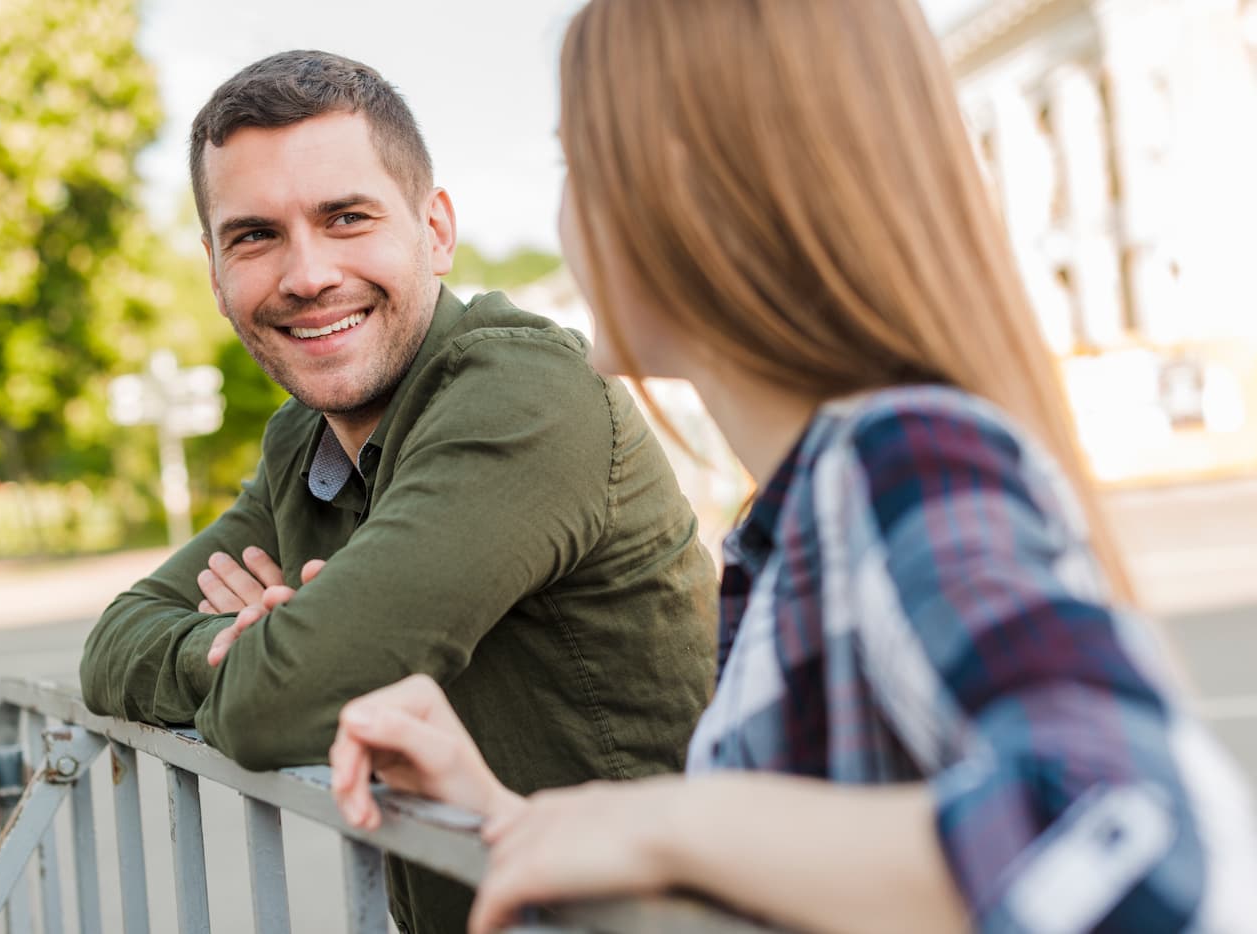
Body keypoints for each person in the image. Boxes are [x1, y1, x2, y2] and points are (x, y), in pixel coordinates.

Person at [327, 1, 1257, 932]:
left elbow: (1138, 836)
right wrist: (513, 822)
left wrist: (666, 819)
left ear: (690, 185)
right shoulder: (802, 516)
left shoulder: (898, 463)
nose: (563, 210)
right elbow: (821, 873)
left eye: (578, 160)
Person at [77, 50, 719, 934]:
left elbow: (277, 707)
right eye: (255, 235)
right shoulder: (306, 443)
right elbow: (112, 645)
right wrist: (226, 649)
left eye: (346, 217)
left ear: (436, 230)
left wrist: (282, 659)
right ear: (216, 269)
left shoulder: (524, 393)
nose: (306, 275)